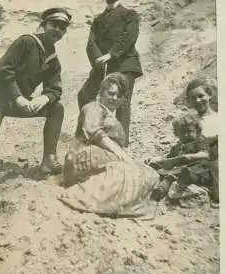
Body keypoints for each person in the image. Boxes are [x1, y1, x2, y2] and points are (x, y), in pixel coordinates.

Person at [0, 7, 72, 200]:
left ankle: (48, 160)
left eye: (63, 27)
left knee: (56, 108)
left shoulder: (53, 60)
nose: (58, 30)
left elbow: (55, 89)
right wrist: (18, 97)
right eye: (54, 25)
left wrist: (45, 97)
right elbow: (3, 70)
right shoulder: (26, 42)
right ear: (43, 25)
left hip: (19, 101)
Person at [59, 73, 159, 218]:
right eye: (111, 93)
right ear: (101, 92)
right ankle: (84, 196)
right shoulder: (93, 107)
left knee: (148, 174)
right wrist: (122, 155)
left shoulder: (111, 115)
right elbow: (94, 133)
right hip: (84, 156)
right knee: (127, 171)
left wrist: (124, 157)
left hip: (101, 157)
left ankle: (117, 202)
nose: (114, 98)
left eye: (118, 96)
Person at [77, 0, 143, 147]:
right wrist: (98, 60)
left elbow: (129, 37)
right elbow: (91, 43)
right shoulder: (98, 20)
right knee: (85, 95)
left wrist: (111, 55)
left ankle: (122, 142)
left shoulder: (130, 15)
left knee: (121, 101)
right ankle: (90, 134)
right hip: (103, 65)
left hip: (125, 63)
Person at [147, 111, 218, 201]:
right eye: (182, 132)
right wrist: (157, 160)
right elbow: (169, 157)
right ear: (177, 134)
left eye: (189, 131)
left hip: (199, 168)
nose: (186, 135)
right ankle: (160, 190)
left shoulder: (199, 141)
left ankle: (166, 186)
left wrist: (189, 157)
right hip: (180, 170)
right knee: (168, 173)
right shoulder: (179, 145)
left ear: (197, 130)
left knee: (182, 173)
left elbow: (205, 154)